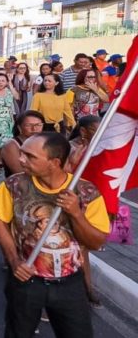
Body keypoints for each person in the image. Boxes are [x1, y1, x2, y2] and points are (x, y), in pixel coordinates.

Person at [0, 133, 109, 338]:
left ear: (54, 163)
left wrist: (76, 214)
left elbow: (96, 242)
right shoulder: (14, 185)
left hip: (70, 284)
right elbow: (0, 221)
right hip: (26, 281)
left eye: (30, 156)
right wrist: (14, 261)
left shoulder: (86, 191)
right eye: (22, 153)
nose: (21, 159)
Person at [65, 115, 103, 309]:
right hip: (69, 203)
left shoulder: (100, 148)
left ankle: (87, 289)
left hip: (90, 204)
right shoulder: (71, 148)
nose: (101, 133)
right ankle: (85, 290)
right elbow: (62, 176)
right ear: (83, 132)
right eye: (96, 130)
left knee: (83, 248)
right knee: (78, 249)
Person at [2, 110, 46, 178]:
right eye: (28, 125)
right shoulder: (11, 145)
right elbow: (20, 173)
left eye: (38, 125)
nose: (34, 129)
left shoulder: (45, 142)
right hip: (22, 185)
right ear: (19, 127)